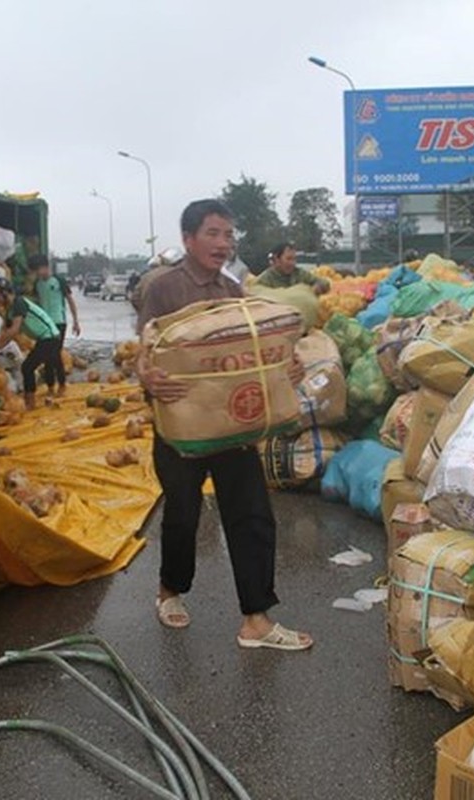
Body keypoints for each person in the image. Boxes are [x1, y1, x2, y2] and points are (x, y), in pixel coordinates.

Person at [136, 199, 313, 652]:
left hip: (232, 425)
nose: (223, 243)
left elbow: (252, 355)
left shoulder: (235, 290)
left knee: (252, 514)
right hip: (182, 426)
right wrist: (145, 375)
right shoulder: (162, 288)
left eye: (229, 235)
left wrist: (284, 369)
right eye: (213, 233)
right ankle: (169, 590)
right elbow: (145, 349)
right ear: (188, 238)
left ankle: (256, 619)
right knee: (182, 513)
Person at [0, 277, 60, 410]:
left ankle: (30, 403)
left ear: (4, 293)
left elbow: (14, 330)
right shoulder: (10, 310)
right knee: (42, 364)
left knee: (28, 367)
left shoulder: (18, 302)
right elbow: (7, 332)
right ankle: (48, 393)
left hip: (49, 336)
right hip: (44, 338)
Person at [30, 254, 80, 397]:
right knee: (47, 356)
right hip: (44, 324)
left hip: (59, 323)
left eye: (38, 270)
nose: (37, 274)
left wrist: (76, 321)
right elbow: (36, 303)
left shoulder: (59, 281)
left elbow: (70, 300)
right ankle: (51, 386)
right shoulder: (38, 284)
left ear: (45, 267)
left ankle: (62, 384)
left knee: (55, 354)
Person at [254, 243, 329, 295]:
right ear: (277, 259)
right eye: (288, 259)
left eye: (294, 259)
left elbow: (324, 282)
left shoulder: (300, 273)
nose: (293, 263)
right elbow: (254, 293)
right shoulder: (266, 279)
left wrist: (314, 289)